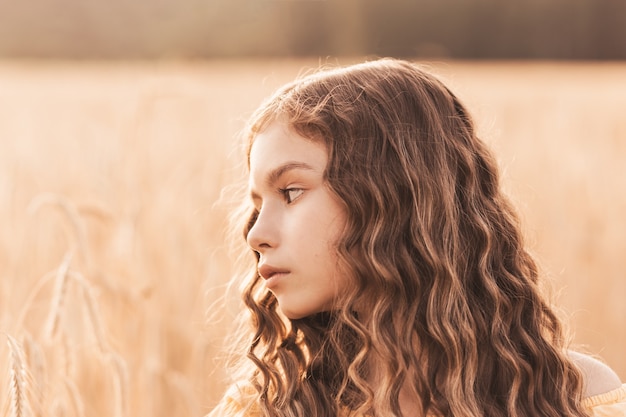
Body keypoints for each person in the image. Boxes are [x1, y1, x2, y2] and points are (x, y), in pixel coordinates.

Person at [209, 58, 624, 416]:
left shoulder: (572, 400)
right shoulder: (270, 406)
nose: (257, 234)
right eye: (259, 205)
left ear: (393, 197)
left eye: (291, 192)